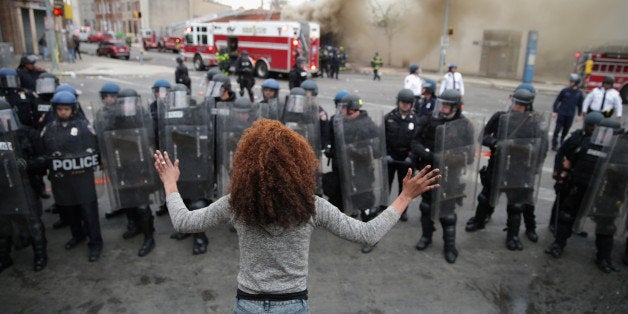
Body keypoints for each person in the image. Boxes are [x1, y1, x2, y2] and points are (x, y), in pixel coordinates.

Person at [153, 119, 440, 311]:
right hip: (292, 305)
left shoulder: (236, 203)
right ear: (299, 164)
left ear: (245, 163)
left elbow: (183, 221)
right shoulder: (311, 206)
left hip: (248, 304)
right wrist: (404, 197)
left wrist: (169, 182)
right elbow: (367, 233)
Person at [465, 88, 549, 251]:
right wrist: (496, 143)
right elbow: (483, 136)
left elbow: (543, 146)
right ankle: (479, 220)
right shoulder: (500, 117)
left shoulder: (534, 122)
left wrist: (534, 163)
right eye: (515, 103)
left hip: (520, 169)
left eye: (520, 105)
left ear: (528, 106)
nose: (516, 107)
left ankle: (513, 235)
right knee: (486, 197)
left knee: (516, 205)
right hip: (497, 165)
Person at [545, 118, 623, 273]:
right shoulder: (586, 143)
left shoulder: (619, 151)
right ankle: (558, 245)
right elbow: (568, 161)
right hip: (580, 187)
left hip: (604, 192)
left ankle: (603, 258)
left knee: (606, 225)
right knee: (567, 217)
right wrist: (562, 177)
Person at [411, 89, 476, 263]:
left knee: (447, 212)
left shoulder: (464, 125)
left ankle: (450, 246)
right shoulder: (429, 120)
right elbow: (415, 142)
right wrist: (428, 154)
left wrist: (452, 157)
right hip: (429, 170)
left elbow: (469, 154)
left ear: (455, 106)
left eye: (447, 105)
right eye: (442, 103)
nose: (443, 107)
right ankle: (426, 236)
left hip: (450, 173)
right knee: (426, 207)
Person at [41, 91, 102, 262]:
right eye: (59, 109)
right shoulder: (50, 127)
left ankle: (95, 243)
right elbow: (45, 149)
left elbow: (94, 149)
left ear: (73, 109)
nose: (63, 112)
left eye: (66, 109)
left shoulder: (84, 126)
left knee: (88, 213)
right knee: (70, 210)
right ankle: (78, 235)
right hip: (62, 179)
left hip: (82, 178)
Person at [95, 87, 157, 257]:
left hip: (140, 165)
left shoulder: (142, 115)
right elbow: (106, 137)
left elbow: (150, 138)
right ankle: (134, 226)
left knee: (142, 203)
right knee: (127, 199)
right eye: (124, 103)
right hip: (121, 164)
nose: (127, 106)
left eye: (131, 102)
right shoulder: (113, 116)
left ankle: (149, 236)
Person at [325, 93, 389, 253]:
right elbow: (335, 143)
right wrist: (331, 151)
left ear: (352, 109)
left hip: (362, 170)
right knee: (343, 196)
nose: (342, 111)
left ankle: (371, 237)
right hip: (345, 168)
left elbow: (377, 150)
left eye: (344, 108)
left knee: (365, 202)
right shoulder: (339, 122)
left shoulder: (367, 124)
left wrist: (359, 150)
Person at [158, 84, 212, 255]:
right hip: (176, 165)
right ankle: (188, 231)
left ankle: (200, 238)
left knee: (197, 205)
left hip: (196, 165)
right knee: (183, 202)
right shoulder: (166, 114)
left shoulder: (196, 113)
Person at [0, 99, 49, 272]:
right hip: (3, 188)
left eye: (5, 116)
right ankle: (4, 257)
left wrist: (27, 164)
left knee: (33, 221)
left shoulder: (27, 134)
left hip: (25, 184)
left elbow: (45, 158)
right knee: (3, 223)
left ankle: (41, 256)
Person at [548, 112, 604, 234]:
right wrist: (558, 170)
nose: (593, 130)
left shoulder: (601, 141)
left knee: (580, 204)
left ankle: (573, 226)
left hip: (586, 178)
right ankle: (554, 223)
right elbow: (561, 152)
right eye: (591, 127)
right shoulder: (576, 138)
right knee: (561, 199)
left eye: (596, 128)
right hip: (570, 175)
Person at [384, 89, 419, 222]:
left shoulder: (416, 120)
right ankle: (383, 206)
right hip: (391, 158)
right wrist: (386, 155)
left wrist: (411, 157)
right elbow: (383, 139)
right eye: (402, 102)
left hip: (406, 160)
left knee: (405, 188)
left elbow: (417, 141)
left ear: (411, 104)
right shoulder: (389, 118)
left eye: (407, 103)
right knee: (386, 184)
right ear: (398, 102)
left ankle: (402, 211)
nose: (404, 105)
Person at [551, 74, 584, 151]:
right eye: (570, 81)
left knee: (566, 130)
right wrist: (555, 111)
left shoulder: (579, 93)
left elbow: (580, 105)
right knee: (557, 129)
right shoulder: (565, 91)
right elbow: (557, 101)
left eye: (572, 82)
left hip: (570, 114)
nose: (570, 83)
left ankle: (562, 143)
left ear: (576, 83)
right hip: (562, 113)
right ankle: (554, 144)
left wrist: (579, 115)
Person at [301, 80, 330, 150]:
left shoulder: (319, 112)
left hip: (313, 145)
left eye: (307, 92)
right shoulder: (298, 108)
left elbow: (325, 130)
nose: (304, 94)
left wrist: (323, 146)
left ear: (314, 93)